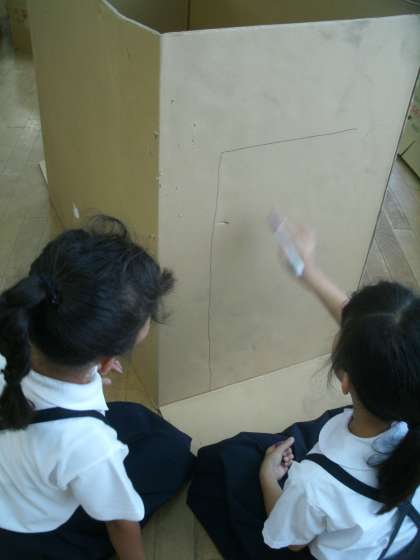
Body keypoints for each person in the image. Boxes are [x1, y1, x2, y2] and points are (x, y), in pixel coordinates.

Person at [188, 223, 420, 559]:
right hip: (400, 540)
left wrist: (269, 479)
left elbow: (293, 542)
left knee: (228, 461)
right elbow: (375, 336)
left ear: (345, 379)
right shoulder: (403, 393)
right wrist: (309, 272)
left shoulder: (314, 482)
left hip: (323, 530)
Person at [0, 216, 194, 560]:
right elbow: (120, 523)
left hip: (18, 478)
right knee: (175, 453)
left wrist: (90, 372)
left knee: (138, 419)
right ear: (105, 361)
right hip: (36, 534)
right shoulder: (88, 445)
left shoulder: (10, 341)